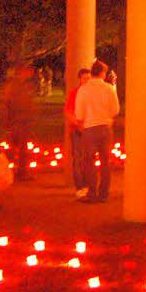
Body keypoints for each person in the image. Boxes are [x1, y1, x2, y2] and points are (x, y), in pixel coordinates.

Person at [74, 59, 119, 203]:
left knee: (89, 161)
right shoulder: (109, 88)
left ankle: (92, 192)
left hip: (90, 128)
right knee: (105, 161)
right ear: (102, 73)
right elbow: (115, 110)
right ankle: (104, 193)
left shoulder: (84, 89)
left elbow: (79, 113)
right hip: (105, 127)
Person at [1, 64, 35, 180]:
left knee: (20, 148)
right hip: (17, 120)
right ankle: (8, 171)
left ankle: (20, 171)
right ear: (22, 71)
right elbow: (8, 103)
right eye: (29, 71)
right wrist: (9, 120)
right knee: (16, 148)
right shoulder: (14, 86)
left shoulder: (24, 85)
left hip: (23, 120)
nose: (31, 73)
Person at [64, 67, 91, 199]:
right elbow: (68, 112)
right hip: (77, 130)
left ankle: (87, 185)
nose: (87, 80)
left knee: (88, 158)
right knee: (78, 159)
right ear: (80, 79)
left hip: (89, 129)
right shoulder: (74, 93)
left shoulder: (92, 94)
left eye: (89, 78)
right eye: (85, 78)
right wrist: (78, 124)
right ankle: (80, 186)